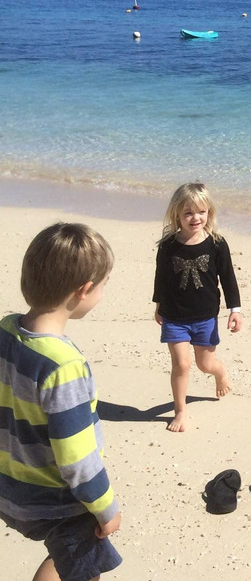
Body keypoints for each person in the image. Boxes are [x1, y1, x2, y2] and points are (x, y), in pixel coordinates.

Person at [1, 223, 122, 580]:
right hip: (55, 498)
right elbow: (77, 458)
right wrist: (105, 507)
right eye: (102, 285)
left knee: (64, 556)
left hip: (10, 485)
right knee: (84, 569)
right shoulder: (63, 365)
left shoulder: (6, 332)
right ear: (82, 290)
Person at [153, 183, 243, 433]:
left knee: (205, 364)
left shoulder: (216, 244)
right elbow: (161, 276)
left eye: (201, 212)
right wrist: (158, 304)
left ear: (209, 212)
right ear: (177, 215)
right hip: (175, 315)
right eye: (188, 213)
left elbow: (228, 278)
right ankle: (180, 410)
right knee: (181, 364)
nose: (195, 218)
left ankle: (220, 372)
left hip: (205, 316)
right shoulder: (168, 245)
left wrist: (235, 309)